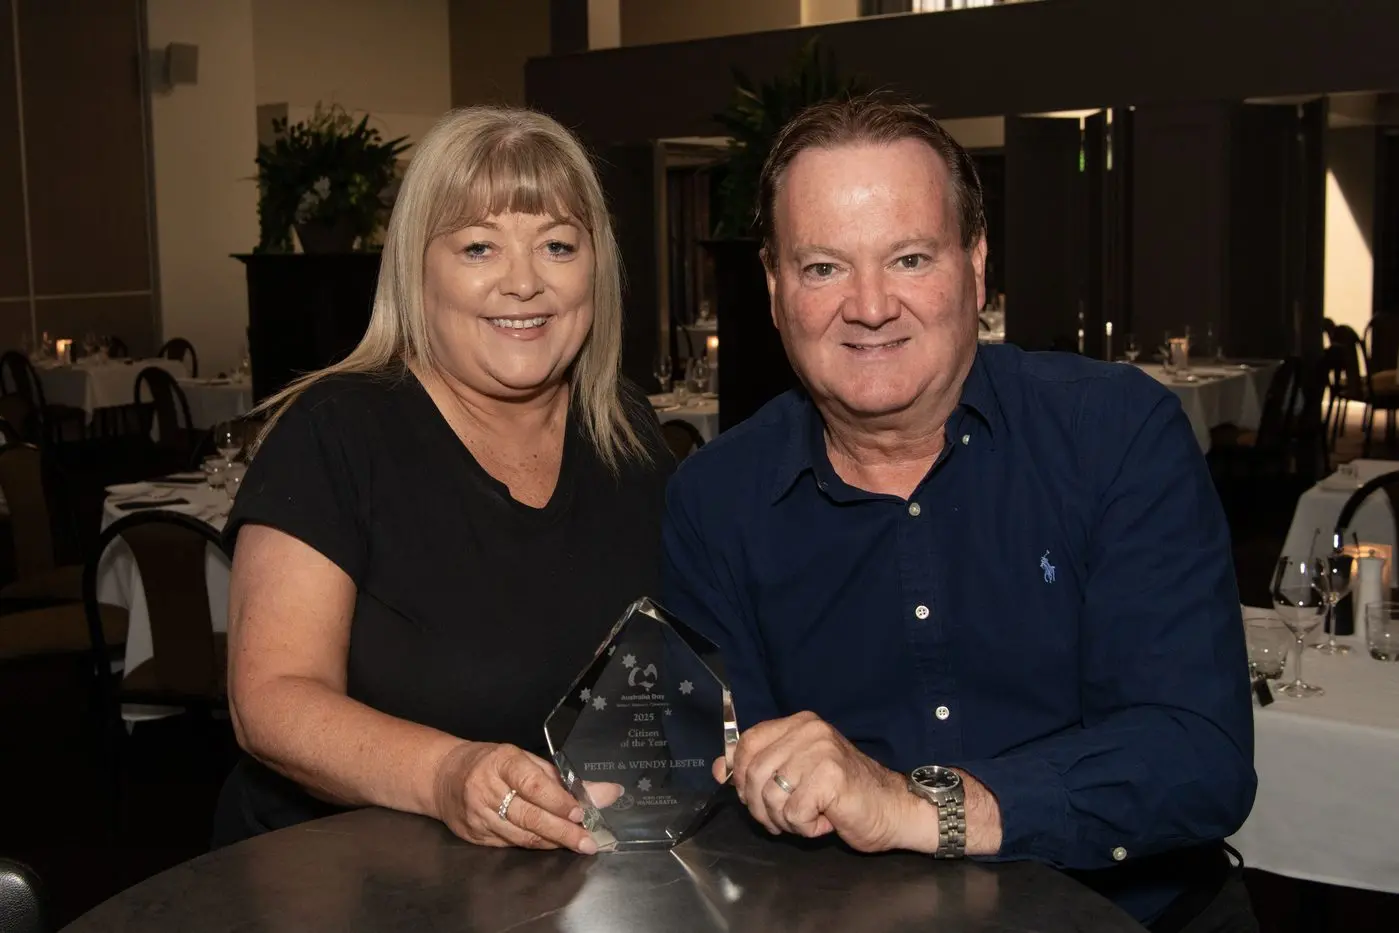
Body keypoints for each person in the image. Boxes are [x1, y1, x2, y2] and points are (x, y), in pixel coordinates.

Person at [662, 95, 1257, 933]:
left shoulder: (1113, 434)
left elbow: (1196, 758)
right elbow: (721, 788)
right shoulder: (714, 498)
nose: (869, 305)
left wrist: (915, 805)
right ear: (773, 286)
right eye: (823, 267)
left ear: (975, 264)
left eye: (908, 258)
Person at [214, 106, 671, 854]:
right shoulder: (337, 431)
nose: (523, 283)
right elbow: (270, 700)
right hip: (344, 875)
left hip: (572, 875)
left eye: (557, 245)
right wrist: (446, 773)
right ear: (416, 270)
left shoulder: (627, 430)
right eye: (479, 246)